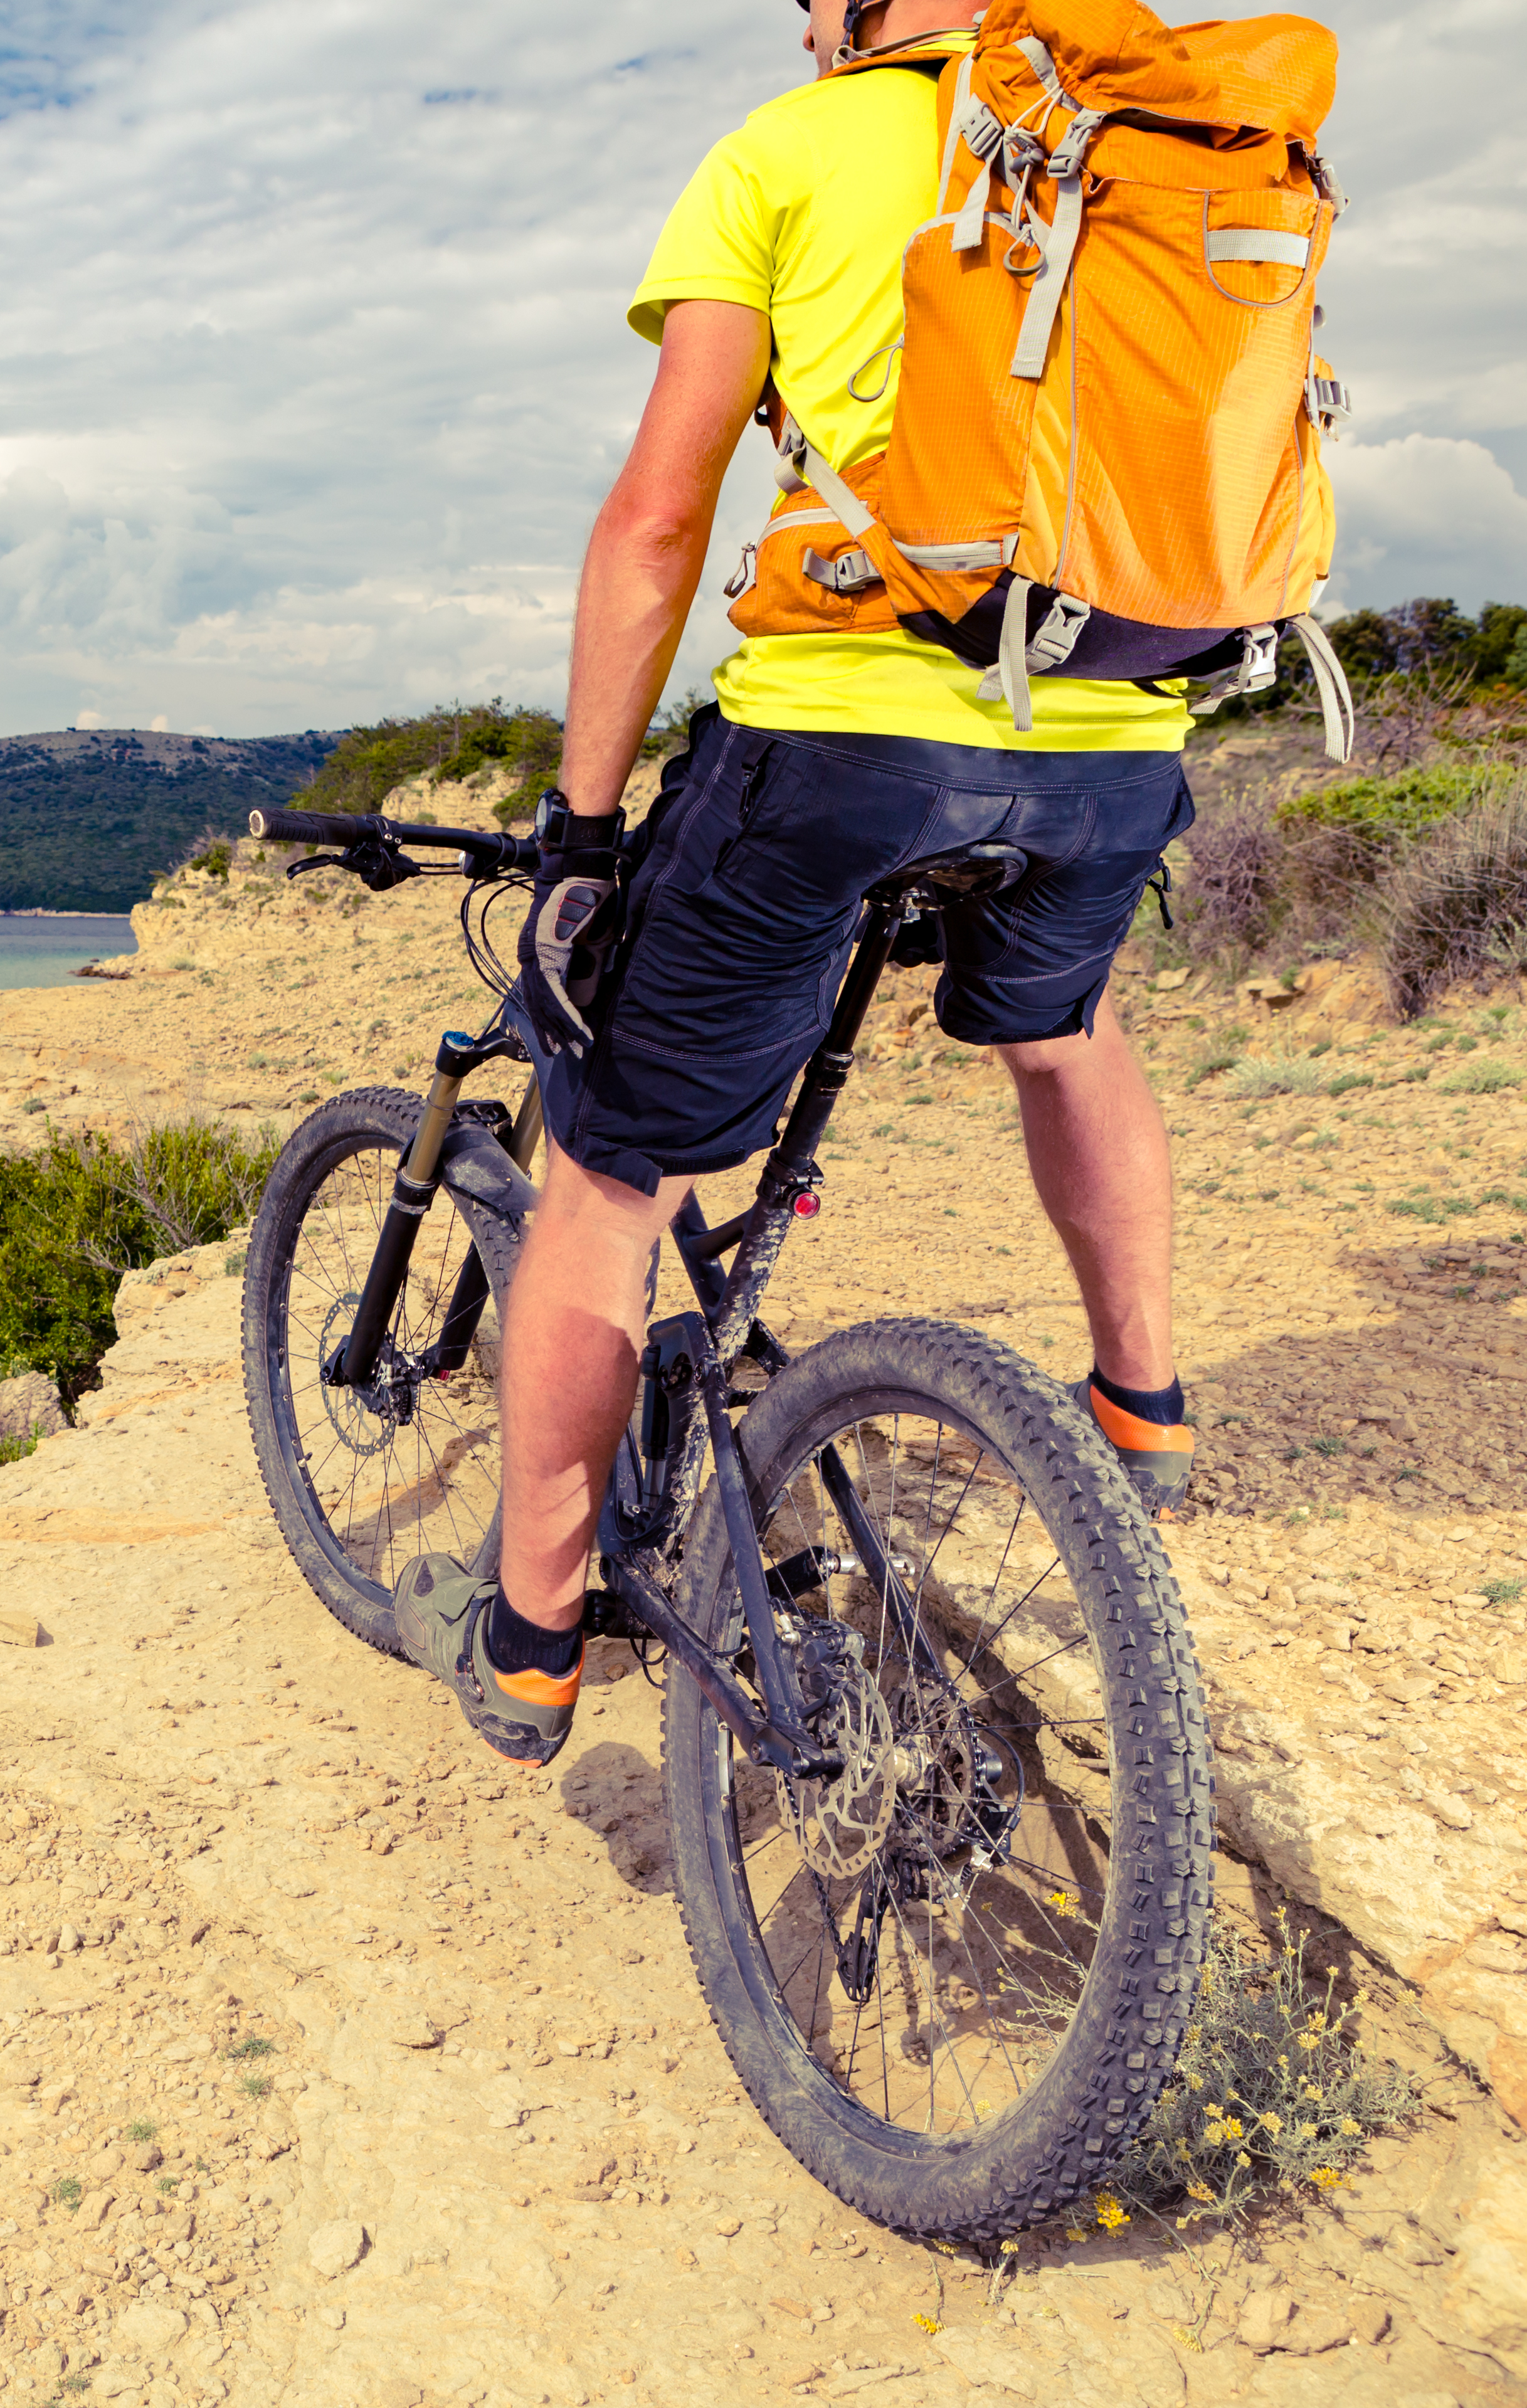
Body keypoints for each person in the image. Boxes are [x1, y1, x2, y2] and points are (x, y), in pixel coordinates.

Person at [455, 0, 1202, 1770]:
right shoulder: (1161, 139)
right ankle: (1144, 1404)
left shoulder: (788, 153)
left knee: (612, 1167)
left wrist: (577, 832)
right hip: (1114, 734)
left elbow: (659, 518)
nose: (800, 26)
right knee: (1067, 1027)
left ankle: (537, 1619)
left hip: (849, 734)